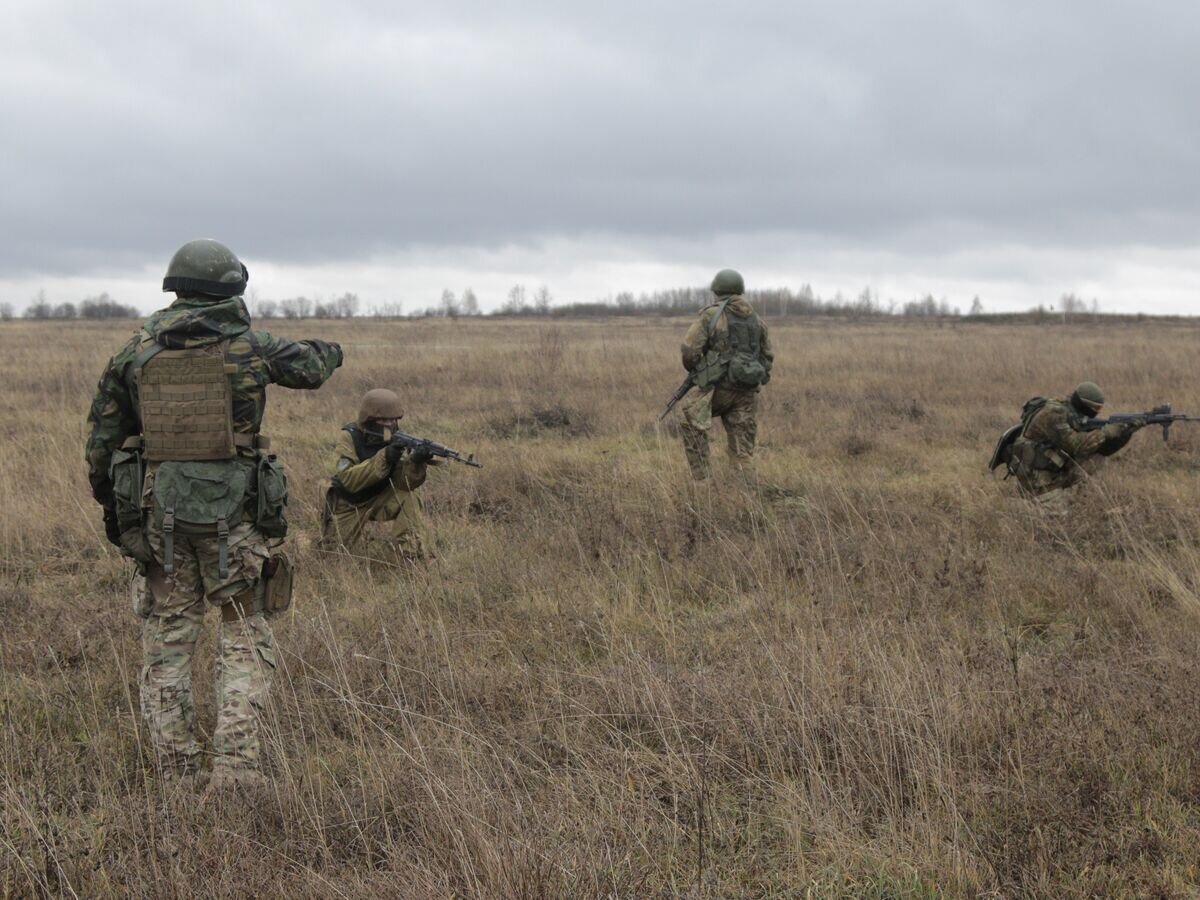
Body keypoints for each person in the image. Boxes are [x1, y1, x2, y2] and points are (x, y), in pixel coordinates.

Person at [85, 238, 342, 790]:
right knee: (243, 637)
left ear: (175, 288)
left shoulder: (136, 351)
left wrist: (120, 521)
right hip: (238, 523)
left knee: (167, 644)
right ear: (233, 288)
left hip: (162, 522)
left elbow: (101, 447)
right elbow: (314, 367)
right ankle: (236, 771)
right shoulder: (252, 347)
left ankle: (177, 773)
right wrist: (332, 346)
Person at [677, 269, 773, 480]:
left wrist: (699, 370)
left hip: (716, 389)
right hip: (747, 391)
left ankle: (702, 481)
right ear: (740, 289)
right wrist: (756, 378)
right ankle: (745, 491)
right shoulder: (756, 319)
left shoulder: (712, 315)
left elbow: (689, 349)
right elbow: (767, 356)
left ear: (717, 290)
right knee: (742, 448)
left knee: (691, 421)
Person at [319, 389, 435, 561]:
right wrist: (384, 457)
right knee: (331, 558)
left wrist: (415, 463)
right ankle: (302, 542)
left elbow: (403, 484)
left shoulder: (397, 439)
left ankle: (411, 557)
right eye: (383, 420)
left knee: (409, 497)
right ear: (369, 419)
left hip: (380, 498)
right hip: (350, 502)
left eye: (393, 420)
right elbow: (348, 480)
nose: (389, 424)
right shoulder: (349, 436)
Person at [1005, 381, 1145, 498]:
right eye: (1096, 408)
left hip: (1052, 469)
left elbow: (1104, 450)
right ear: (1085, 404)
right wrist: (1105, 432)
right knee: (1057, 518)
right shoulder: (1055, 414)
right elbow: (1075, 445)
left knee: (1097, 457)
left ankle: (1067, 493)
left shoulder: (1074, 414)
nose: (1098, 413)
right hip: (1035, 476)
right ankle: (1033, 494)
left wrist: (1126, 432)